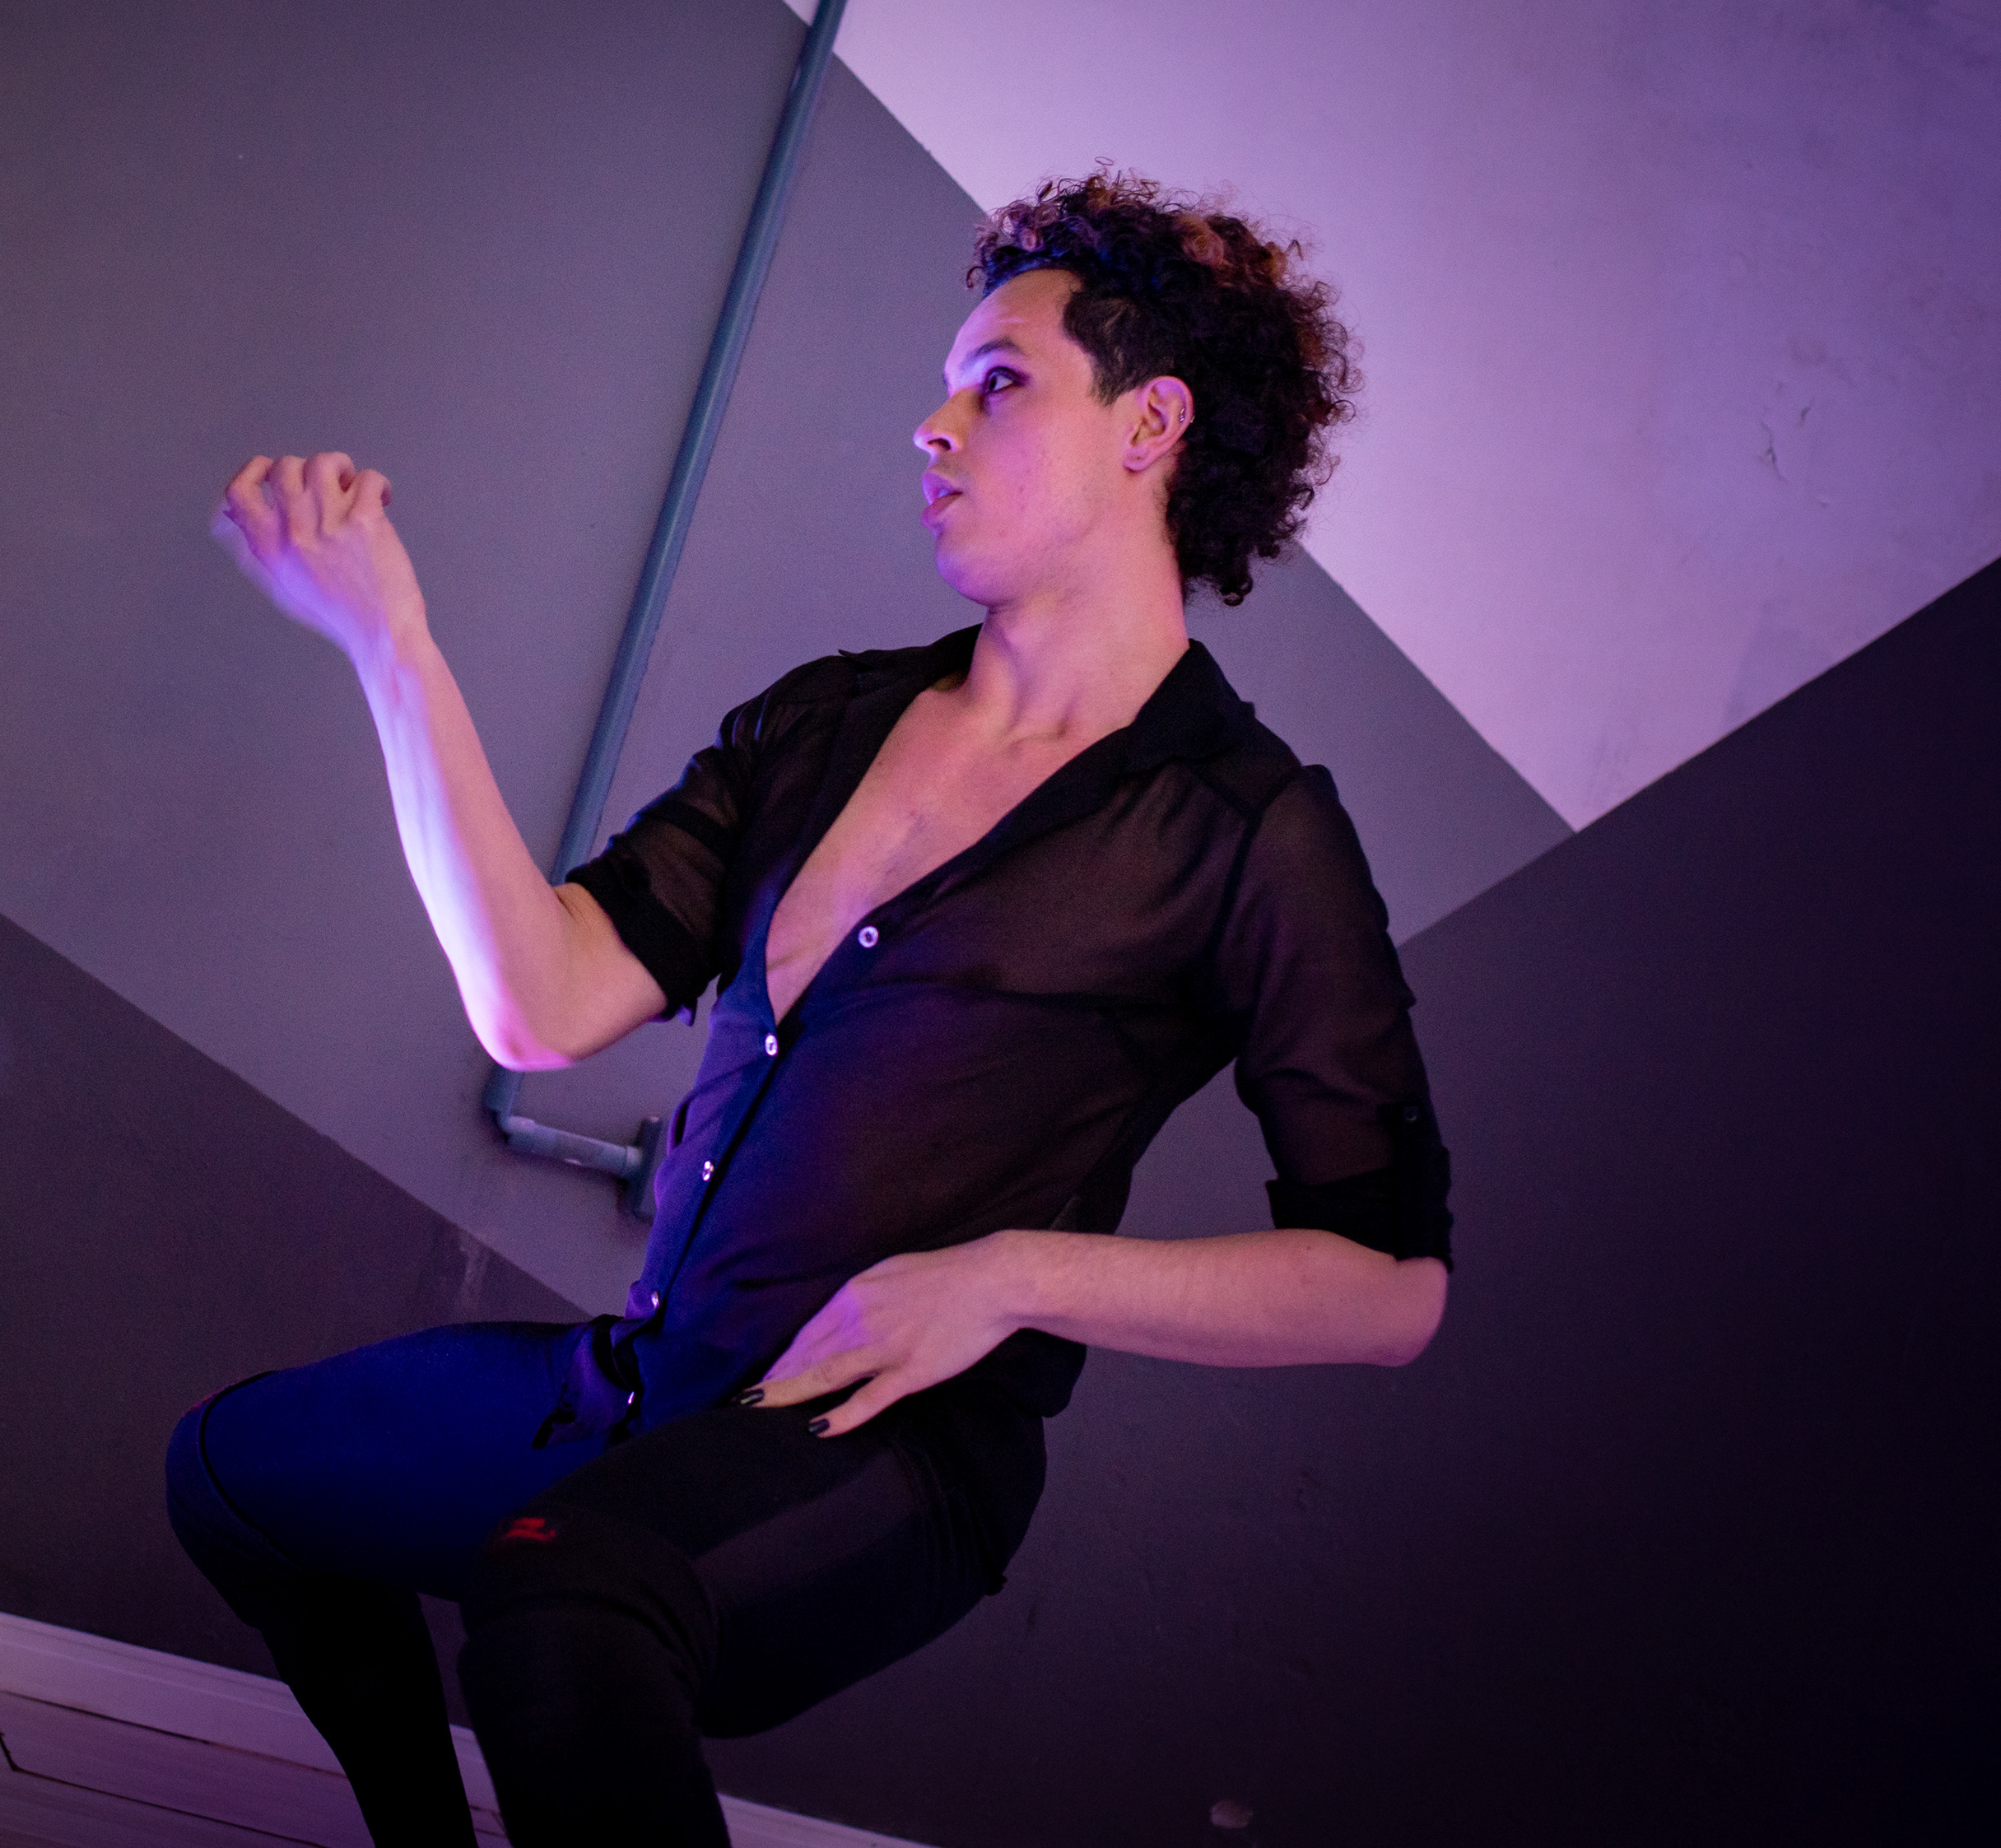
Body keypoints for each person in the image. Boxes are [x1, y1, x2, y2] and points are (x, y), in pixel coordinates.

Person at [170, 172, 1455, 1846]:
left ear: (1151, 426)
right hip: (643, 1392)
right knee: (236, 1475)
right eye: (945, 385)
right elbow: (539, 1004)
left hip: (879, 1456)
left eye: (1000, 383)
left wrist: (1012, 1276)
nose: (935, 425)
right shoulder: (823, 724)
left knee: (563, 1605)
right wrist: (390, 644)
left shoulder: (1243, 829)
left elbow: (1387, 1288)